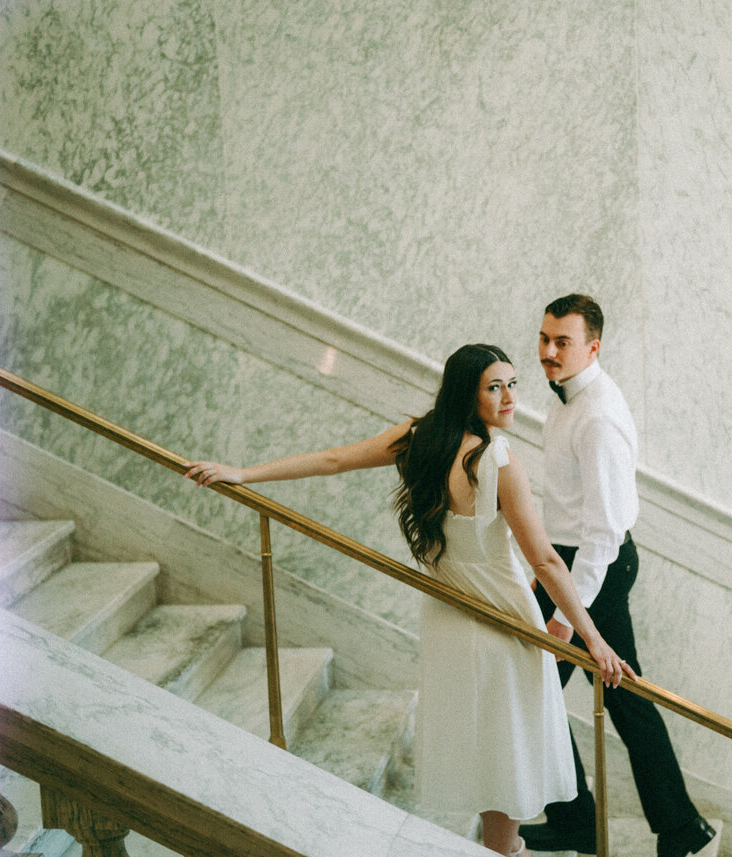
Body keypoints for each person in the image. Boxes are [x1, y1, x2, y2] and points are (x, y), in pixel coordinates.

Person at [184, 343, 636, 857]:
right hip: (502, 621)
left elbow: (334, 460)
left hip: (448, 618)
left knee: (488, 762)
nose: (510, 397)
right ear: (468, 394)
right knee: (506, 766)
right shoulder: (498, 460)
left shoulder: (420, 438)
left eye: (513, 384)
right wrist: (592, 639)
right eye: (494, 387)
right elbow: (547, 562)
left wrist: (247, 472)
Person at [521, 295, 716, 857]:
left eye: (563, 342)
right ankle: (676, 826)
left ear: (593, 347)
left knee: (531, 687)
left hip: (592, 568)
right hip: (570, 561)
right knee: (622, 699)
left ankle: (585, 820)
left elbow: (602, 532)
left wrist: (563, 616)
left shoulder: (598, 414)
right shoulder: (569, 401)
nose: (549, 352)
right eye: (544, 338)